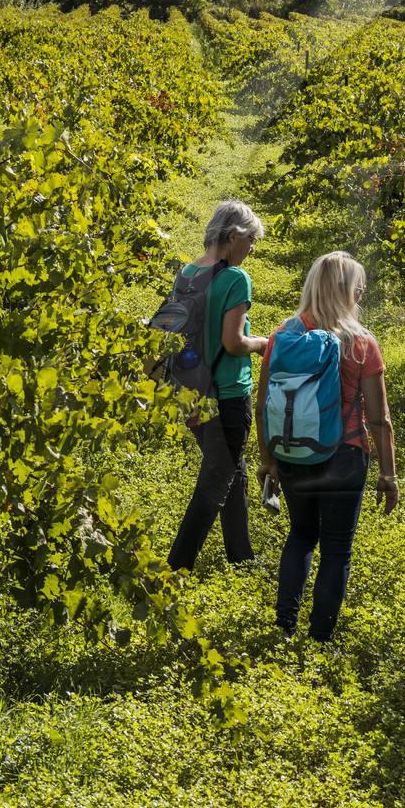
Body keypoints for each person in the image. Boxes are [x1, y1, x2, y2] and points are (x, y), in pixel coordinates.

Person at [258, 251, 398, 643]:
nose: (361, 293)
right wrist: (388, 476)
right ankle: (320, 637)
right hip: (347, 454)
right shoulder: (362, 343)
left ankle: (284, 626)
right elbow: (379, 419)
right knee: (337, 548)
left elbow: (262, 403)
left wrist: (268, 459)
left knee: (301, 535)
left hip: (293, 452)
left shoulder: (282, 335)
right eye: (359, 286)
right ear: (347, 290)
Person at [167, 201, 270, 572]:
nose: (253, 248)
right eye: (252, 240)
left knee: (233, 472)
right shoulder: (235, 279)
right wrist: (262, 343)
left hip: (190, 394)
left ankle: (242, 558)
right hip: (227, 394)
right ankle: (175, 569)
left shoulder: (188, 272)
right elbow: (233, 342)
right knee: (213, 484)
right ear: (233, 236)